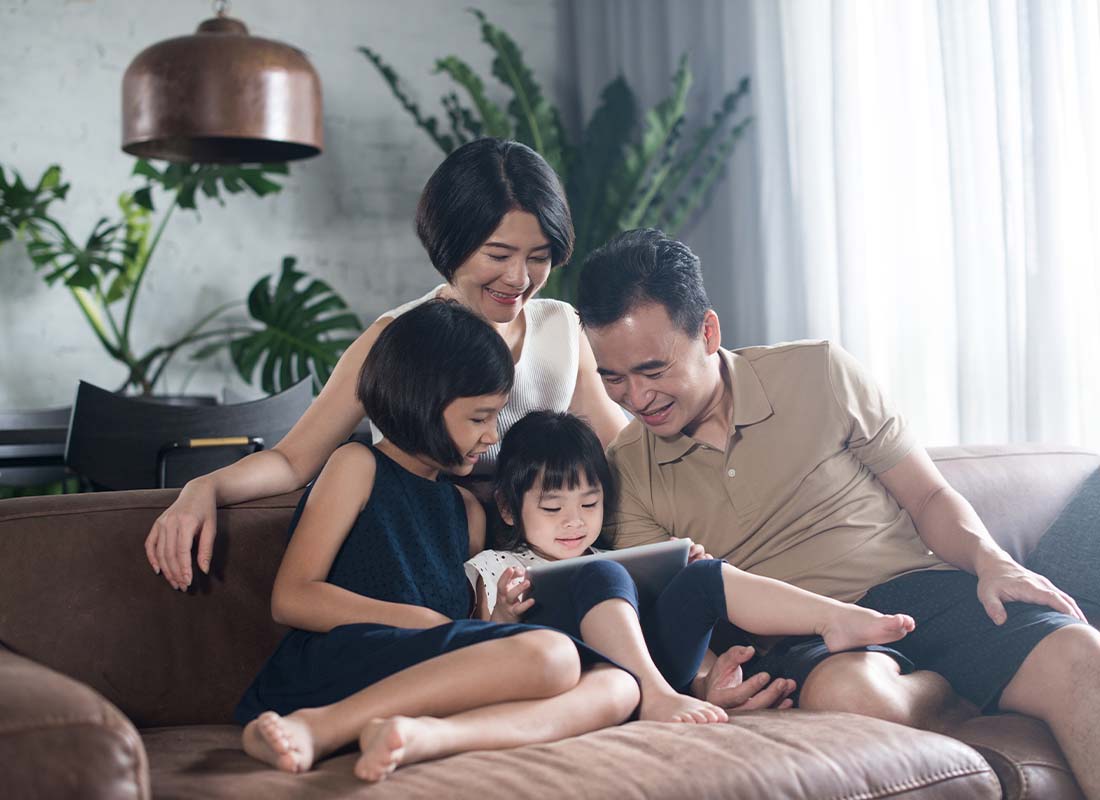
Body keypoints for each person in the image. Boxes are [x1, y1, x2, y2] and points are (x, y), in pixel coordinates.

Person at [574, 228, 1100, 799]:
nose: (636, 397)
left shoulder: (818, 372)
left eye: (653, 370)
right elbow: (671, 604)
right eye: (613, 378)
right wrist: (709, 677)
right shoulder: (625, 470)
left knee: (1080, 653)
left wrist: (992, 560)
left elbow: (926, 496)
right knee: (853, 697)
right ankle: (961, 688)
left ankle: (961, 678)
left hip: (917, 588)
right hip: (803, 635)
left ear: (707, 331)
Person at [145, 138, 626, 592]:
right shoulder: (398, 340)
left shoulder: (561, 328)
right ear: (450, 245)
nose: (519, 278)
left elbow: (622, 455)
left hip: (549, 557)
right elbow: (293, 460)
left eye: (539, 258)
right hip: (434, 553)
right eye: (497, 255)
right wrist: (203, 486)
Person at [236, 300, 638, 783]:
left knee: (617, 685)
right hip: (344, 659)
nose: (492, 436)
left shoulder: (465, 509)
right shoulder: (356, 467)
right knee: (553, 656)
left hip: (426, 668)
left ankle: (419, 735)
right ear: (423, 405)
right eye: (479, 418)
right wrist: (421, 622)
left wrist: (498, 620)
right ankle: (317, 726)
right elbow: (292, 597)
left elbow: (465, 628)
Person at [466, 410, 917, 724]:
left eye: (589, 503)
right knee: (601, 576)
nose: (574, 521)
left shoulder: (609, 558)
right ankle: (655, 697)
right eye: (551, 507)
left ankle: (833, 618)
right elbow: (473, 650)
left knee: (698, 572)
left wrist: (707, 684)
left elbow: (672, 639)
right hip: (579, 675)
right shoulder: (495, 566)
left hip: (658, 673)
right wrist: (504, 615)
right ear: (507, 507)